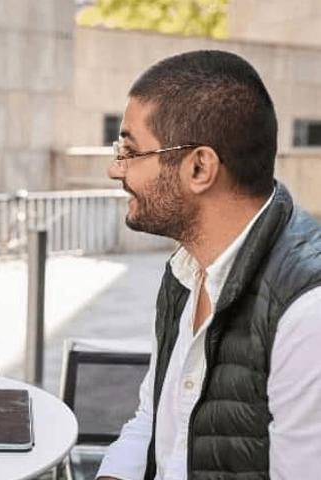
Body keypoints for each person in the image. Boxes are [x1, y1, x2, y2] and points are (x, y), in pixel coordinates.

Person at [97, 50, 321, 480]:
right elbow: (153, 420)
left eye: (130, 150)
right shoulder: (184, 270)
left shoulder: (306, 313)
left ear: (200, 167)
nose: (115, 168)